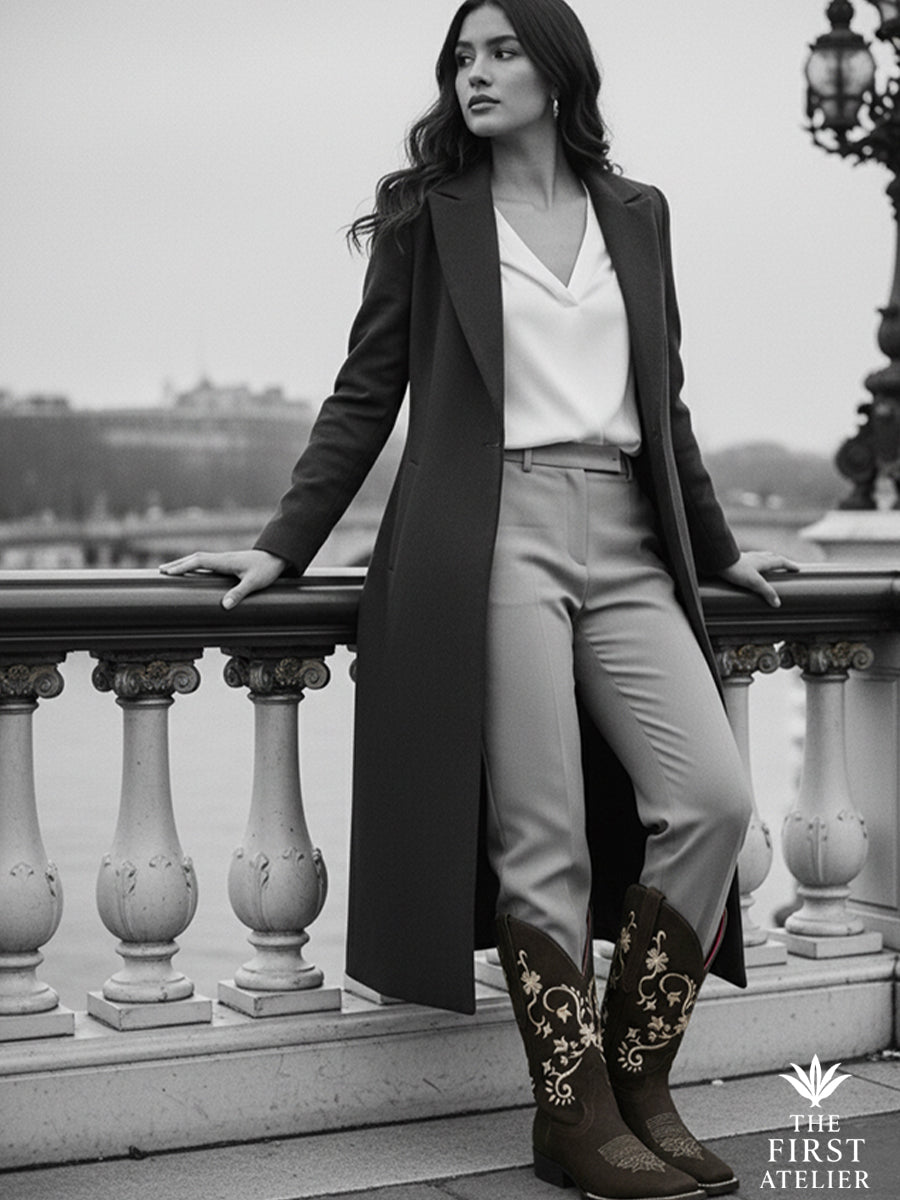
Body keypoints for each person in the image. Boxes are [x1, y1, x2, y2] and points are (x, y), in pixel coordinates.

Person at [162, 2, 797, 1196]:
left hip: (627, 535)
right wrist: (280, 547)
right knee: (541, 834)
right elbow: (367, 396)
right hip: (491, 533)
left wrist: (716, 548)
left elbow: (665, 400)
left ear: (559, 73)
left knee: (712, 801)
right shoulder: (428, 217)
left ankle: (635, 1079)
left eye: (503, 52)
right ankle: (574, 1117)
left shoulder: (638, 214)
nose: (476, 74)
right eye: (463, 57)